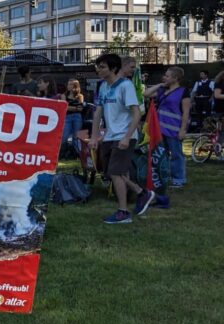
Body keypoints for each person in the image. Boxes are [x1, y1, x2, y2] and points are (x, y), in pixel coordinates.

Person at [89, 53, 150, 224]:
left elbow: (137, 113)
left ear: (113, 68)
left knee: (115, 173)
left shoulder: (126, 86)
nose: (98, 70)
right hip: (109, 136)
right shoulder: (103, 87)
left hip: (124, 136)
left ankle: (123, 212)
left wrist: (127, 137)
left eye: (102, 67)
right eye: (98, 66)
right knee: (113, 172)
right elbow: (98, 112)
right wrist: (95, 136)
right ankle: (141, 192)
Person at [144, 66, 191, 189]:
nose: (164, 77)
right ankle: (165, 175)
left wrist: (183, 130)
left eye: (167, 76)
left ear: (175, 78)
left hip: (174, 129)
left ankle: (178, 178)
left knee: (176, 154)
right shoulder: (162, 90)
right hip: (159, 129)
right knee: (161, 154)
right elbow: (146, 94)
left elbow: (186, 112)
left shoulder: (184, 91)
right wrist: (160, 84)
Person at [63, 79, 85, 156]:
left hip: (77, 117)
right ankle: (63, 153)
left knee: (76, 136)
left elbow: (81, 108)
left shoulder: (80, 96)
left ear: (75, 86)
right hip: (67, 117)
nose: (69, 86)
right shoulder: (64, 96)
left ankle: (76, 154)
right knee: (64, 136)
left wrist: (70, 107)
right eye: (68, 84)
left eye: (71, 84)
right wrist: (75, 108)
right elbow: (64, 107)